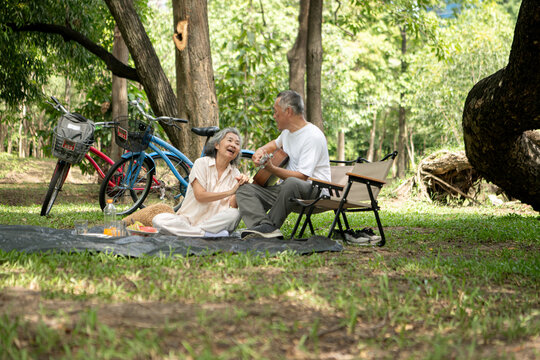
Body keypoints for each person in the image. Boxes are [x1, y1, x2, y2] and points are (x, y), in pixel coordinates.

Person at [237, 90, 331, 239]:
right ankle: (263, 227)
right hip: (286, 192)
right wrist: (260, 151)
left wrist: (272, 169)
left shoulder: (312, 136)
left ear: (288, 111)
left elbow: (302, 177)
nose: (274, 116)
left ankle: (269, 228)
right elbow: (273, 144)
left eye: (276, 112)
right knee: (244, 190)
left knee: (292, 182)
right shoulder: (287, 132)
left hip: (315, 191)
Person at [151, 128, 250, 237]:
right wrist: (230, 191)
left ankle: (195, 233)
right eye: (229, 140)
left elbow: (232, 206)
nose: (233, 145)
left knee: (235, 214)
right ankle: (204, 234)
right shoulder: (201, 163)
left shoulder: (235, 173)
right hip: (187, 220)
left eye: (237, 143)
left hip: (213, 224)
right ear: (217, 145)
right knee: (158, 220)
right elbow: (200, 196)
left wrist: (240, 187)